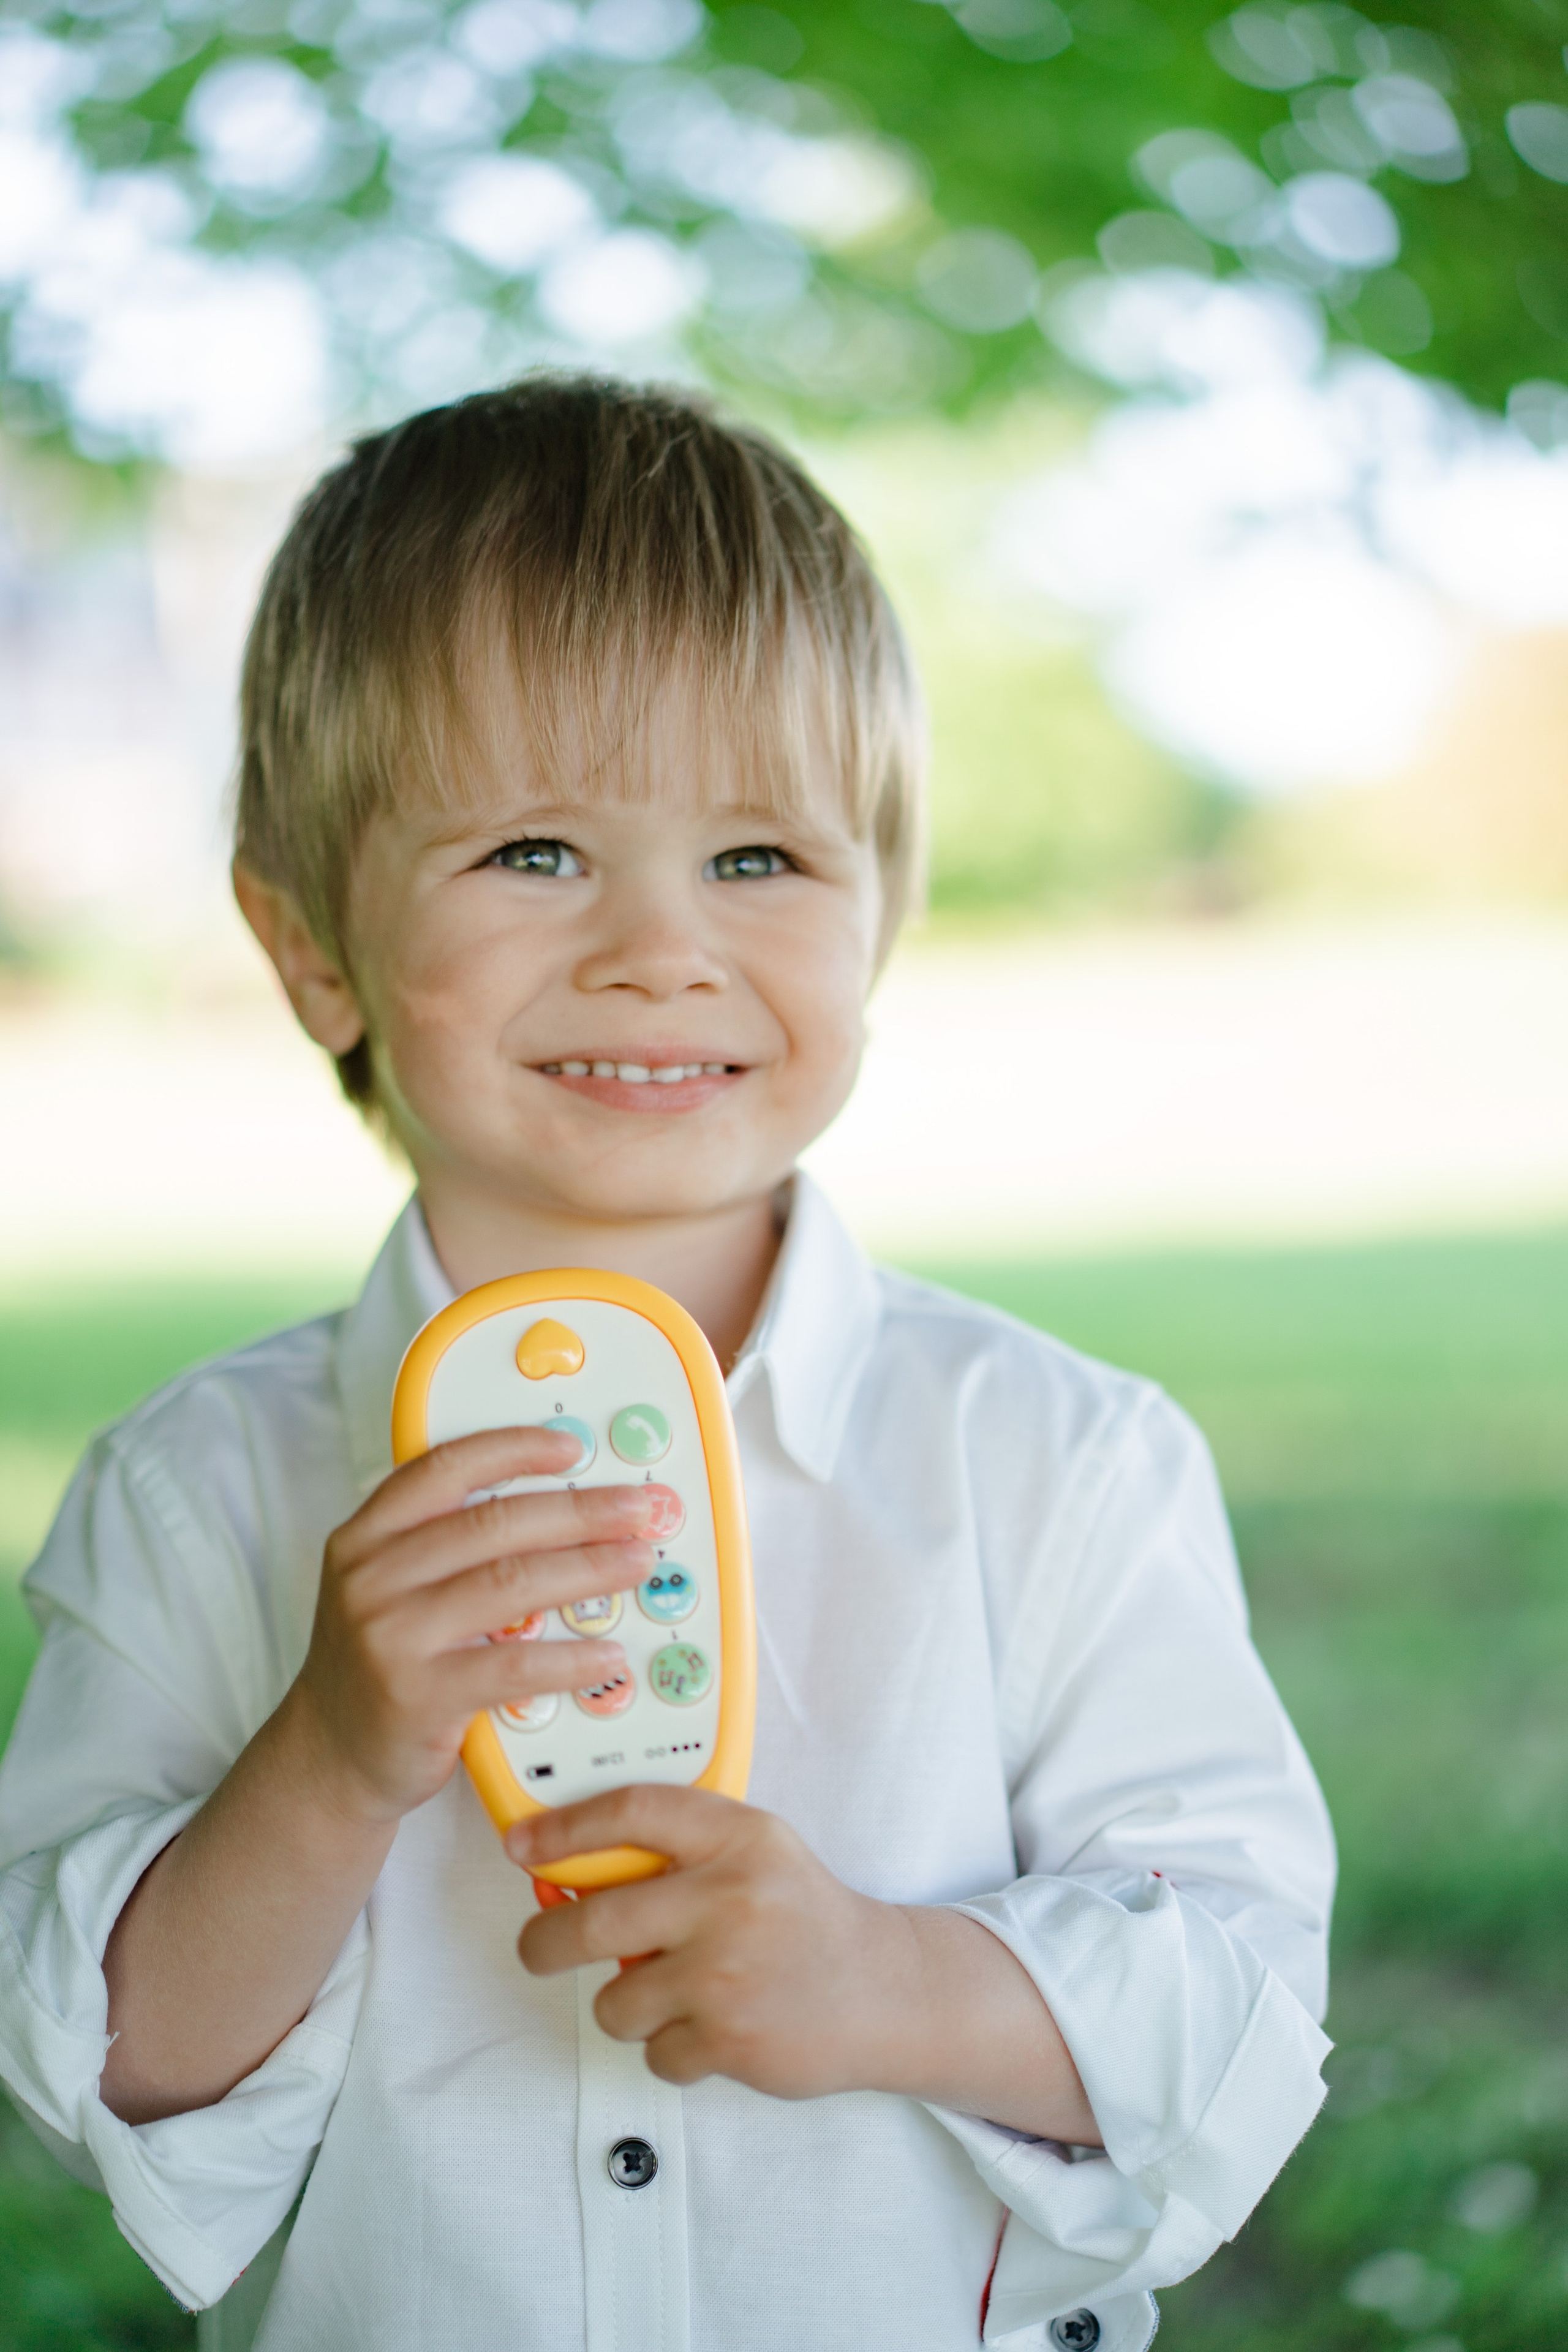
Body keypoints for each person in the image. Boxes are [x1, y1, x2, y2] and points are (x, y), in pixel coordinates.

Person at [0, 377, 1333, 2352]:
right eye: (536, 850)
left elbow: (1237, 2002)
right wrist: (331, 1761)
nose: (659, 948)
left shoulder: (1057, 1460)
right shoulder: (196, 1491)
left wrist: (895, 1984)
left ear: (880, 917)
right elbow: (103, 2071)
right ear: (310, 947)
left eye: (761, 859)